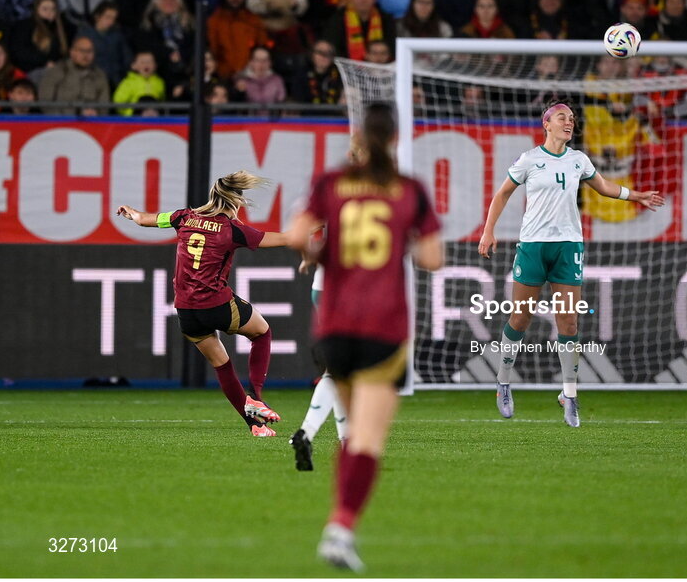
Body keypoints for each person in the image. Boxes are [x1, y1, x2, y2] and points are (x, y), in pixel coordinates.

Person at [287, 102, 444, 571]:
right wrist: (401, 238)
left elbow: (298, 237)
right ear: (395, 138)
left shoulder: (329, 184)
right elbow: (433, 258)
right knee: (365, 440)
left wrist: (327, 249)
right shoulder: (409, 189)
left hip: (334, 323)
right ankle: (340, 527)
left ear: (359, 135)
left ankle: (336, 518)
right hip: (383, 326)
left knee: (350, 424)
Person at [478, 100, 664, 427]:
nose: (569, 122)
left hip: (568, 248)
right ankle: (503, 382)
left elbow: (603, 186)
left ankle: (569, 395)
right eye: (562, 117)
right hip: (534, 247)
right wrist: (488, 230)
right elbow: (502, 193)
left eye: (572, 118)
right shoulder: (530, 160)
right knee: (520, 319)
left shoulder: (579, 160)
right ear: (546, 124)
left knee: (569, 325)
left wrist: (637, 196)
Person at [115, 170, 288, 437]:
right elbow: (283, 239)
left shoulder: (182, 217)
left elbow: (144, 220)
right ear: (235, 202)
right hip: (216, 304)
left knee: (222, 365)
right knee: (262, 332)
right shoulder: (232, 229)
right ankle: (256, 397)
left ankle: (256, 426)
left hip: (186, 311)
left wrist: (132, 213)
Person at [288, 258, 348, 471]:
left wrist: (307, 257)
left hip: (322, 288)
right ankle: (312, 431)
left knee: (340, 369)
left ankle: (312, 435)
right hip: (351, 289)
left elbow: (303, 233)